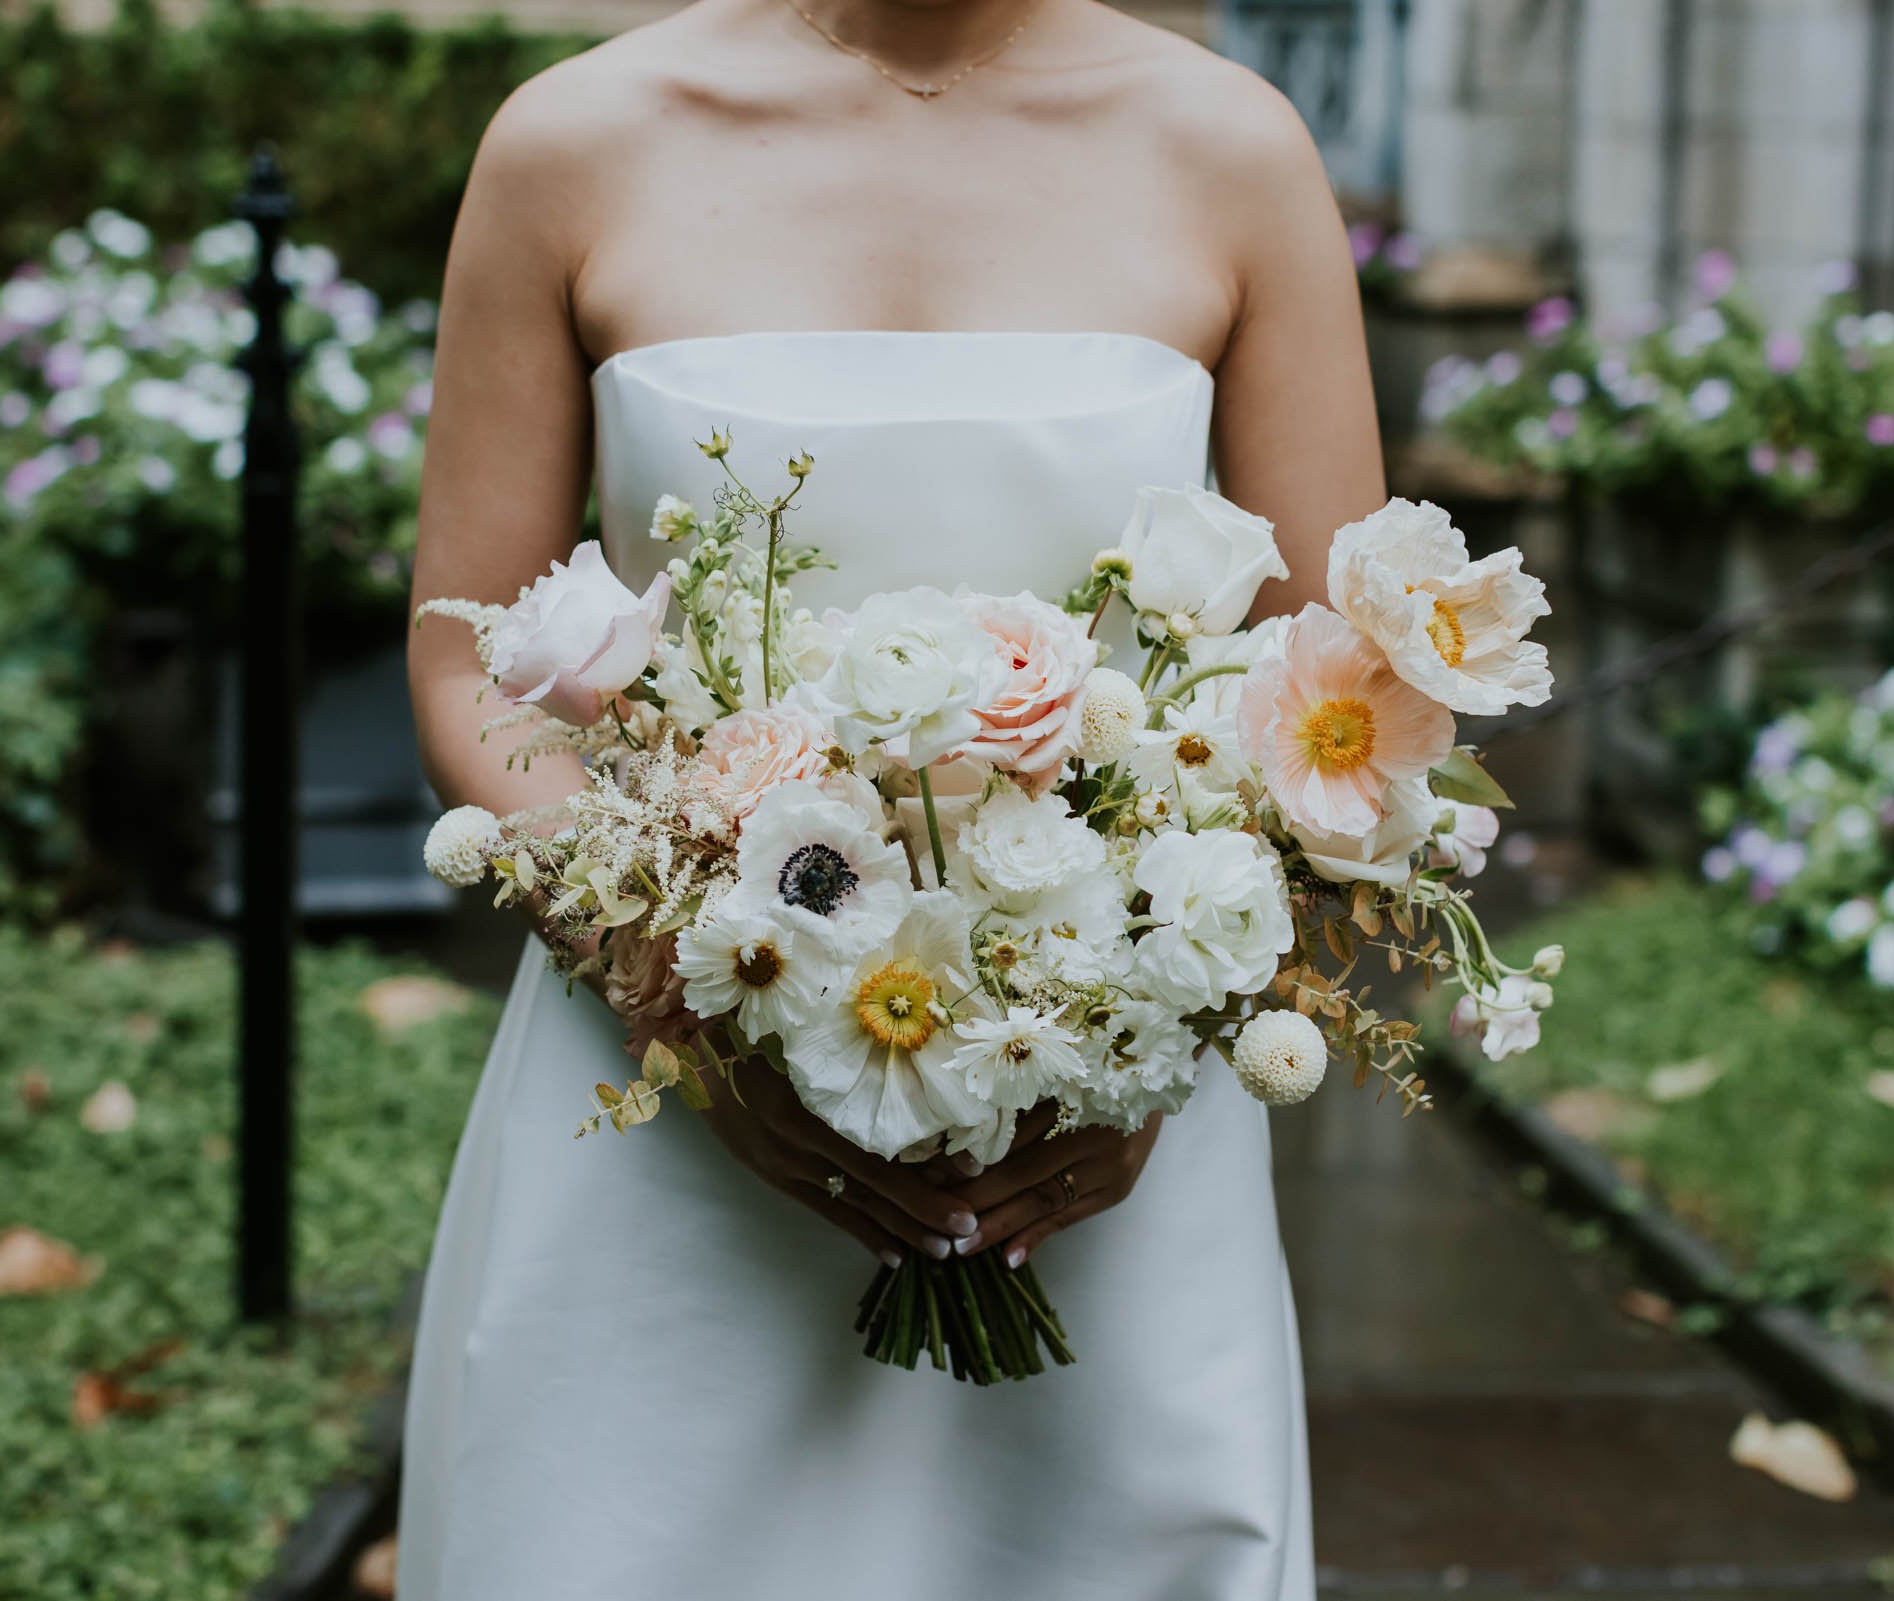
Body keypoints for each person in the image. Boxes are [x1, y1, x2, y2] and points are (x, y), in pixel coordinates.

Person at [399, 0, 1381, 1593]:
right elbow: (472, 658)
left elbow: (1338, 688)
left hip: (1098, 1144)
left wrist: (1152, 1033)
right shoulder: (573, 144)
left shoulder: (1233, 151)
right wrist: (686, 1009)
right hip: (668, 1128)